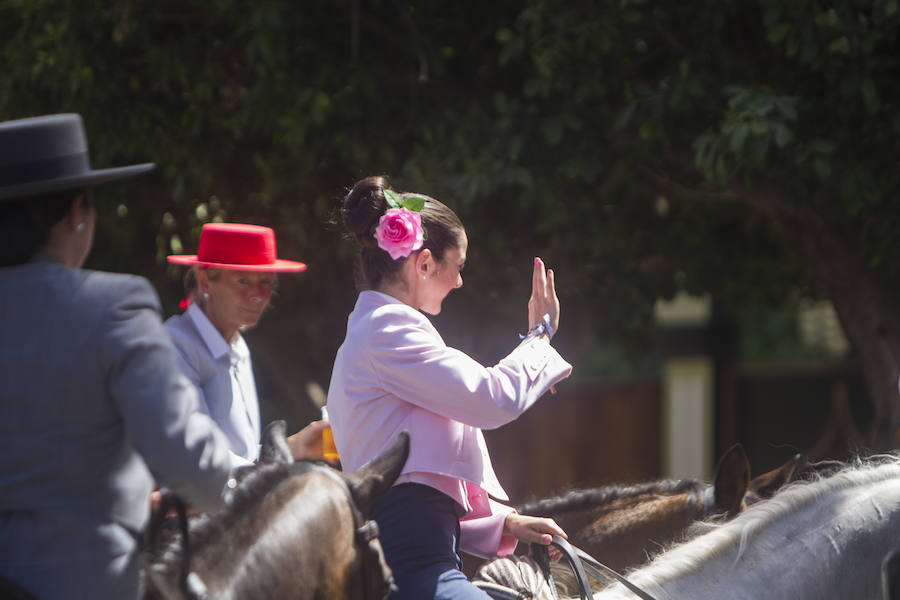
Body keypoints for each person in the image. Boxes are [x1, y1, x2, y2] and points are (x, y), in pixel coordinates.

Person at [0, 114, 233, 599]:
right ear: (76, 213)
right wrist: (235, 483)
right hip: (82, 580)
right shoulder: (114, 304)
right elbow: (183, 455)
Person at [327, 175, 573, 599]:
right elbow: (491, 398)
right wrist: (541, 334)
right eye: (457, 267)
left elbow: (422, 478)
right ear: (423, 264)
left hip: (422, 562)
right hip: (411, 569)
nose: (460, 282)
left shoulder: (380, 331)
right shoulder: (387, 330)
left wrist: (504, 524)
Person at [165, 222, 330, 469]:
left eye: (266, 282)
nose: (257, 295)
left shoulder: (239, 347)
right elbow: (197, 457)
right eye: (243, 281)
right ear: (205, 281)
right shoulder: (175, 346)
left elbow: (243, 454)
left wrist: (296, 447)